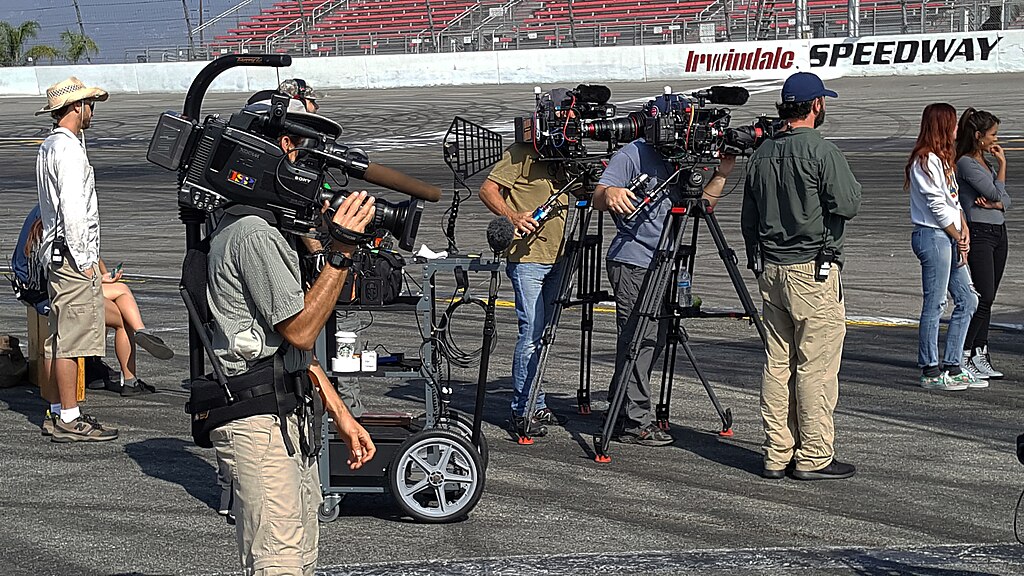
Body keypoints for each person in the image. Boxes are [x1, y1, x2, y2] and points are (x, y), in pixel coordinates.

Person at [205, 104, 376, 575]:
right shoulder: (253, 233)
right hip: (259, 422)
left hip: (284, 410)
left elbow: (291, 350)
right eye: (307, 156)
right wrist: (340, 252)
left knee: (299, 556)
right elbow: (300, 330)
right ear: (281, 150)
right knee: (278, 561)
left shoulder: (267, 229)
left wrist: (340, 413)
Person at [593, 94, 736, 447]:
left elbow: (704, 205)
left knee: (651, 341)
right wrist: (611, 194)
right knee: (638, 340)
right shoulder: (632, 153)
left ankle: (623, 403)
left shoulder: (685, 159)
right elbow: (597, 196)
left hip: (665, 262)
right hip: (634, 260)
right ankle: (635, 421)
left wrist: (720, 173)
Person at [741, 72, 862, 480]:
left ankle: (776, 451)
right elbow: (848, 203)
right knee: (816, 365)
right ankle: (813, 454)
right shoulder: (821, 151)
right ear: (816, 105)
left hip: (771, 269)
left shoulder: (760, 154)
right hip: (811, 269)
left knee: (778, 362)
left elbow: (748, 219)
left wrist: (759, 257)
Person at [478, 87, 573, 438]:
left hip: (560, 254)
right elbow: (488, 190)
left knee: (545, 334)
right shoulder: (520, 152)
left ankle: (538, 402)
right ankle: (522, 409)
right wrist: (513, 216)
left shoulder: (567, 156)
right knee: (531, 334)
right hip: (529, 257)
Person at [35, 76, 118, 443]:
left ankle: (57, 409)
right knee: (72, 339)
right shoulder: (68, 150)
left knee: (57, 336)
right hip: (71, 254)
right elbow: (73, 210)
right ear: (76, 108)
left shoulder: (48, 146)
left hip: (55, 252)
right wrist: (87, 259)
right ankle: (70, 416)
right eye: (88, 105)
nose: (91, 111)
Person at [906, 103, 981, 391]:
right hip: (933, 236)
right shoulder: (924, 161)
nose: (956, 129)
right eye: (952, 124)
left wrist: (964, 232)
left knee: (968, 299)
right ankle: (930, 368)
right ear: (941, 126)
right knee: (936, 303)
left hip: (949, 235)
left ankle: (953, 364)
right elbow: (937, 206)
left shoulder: (943, 160)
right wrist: (955, 233)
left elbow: (953, 201)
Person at [955, 108, 1011, 381]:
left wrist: (997, 202)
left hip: (999, 231)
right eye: (993, 135)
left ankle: (980, 350)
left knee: (989, 299)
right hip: (980, 232)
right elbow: (994, 192)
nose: (996, 140)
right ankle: (964, 352)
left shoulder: (984, 164)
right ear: (978, 136)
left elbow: (1006, 201)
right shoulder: (966, 163)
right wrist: (1003, 166)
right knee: (983, 297)